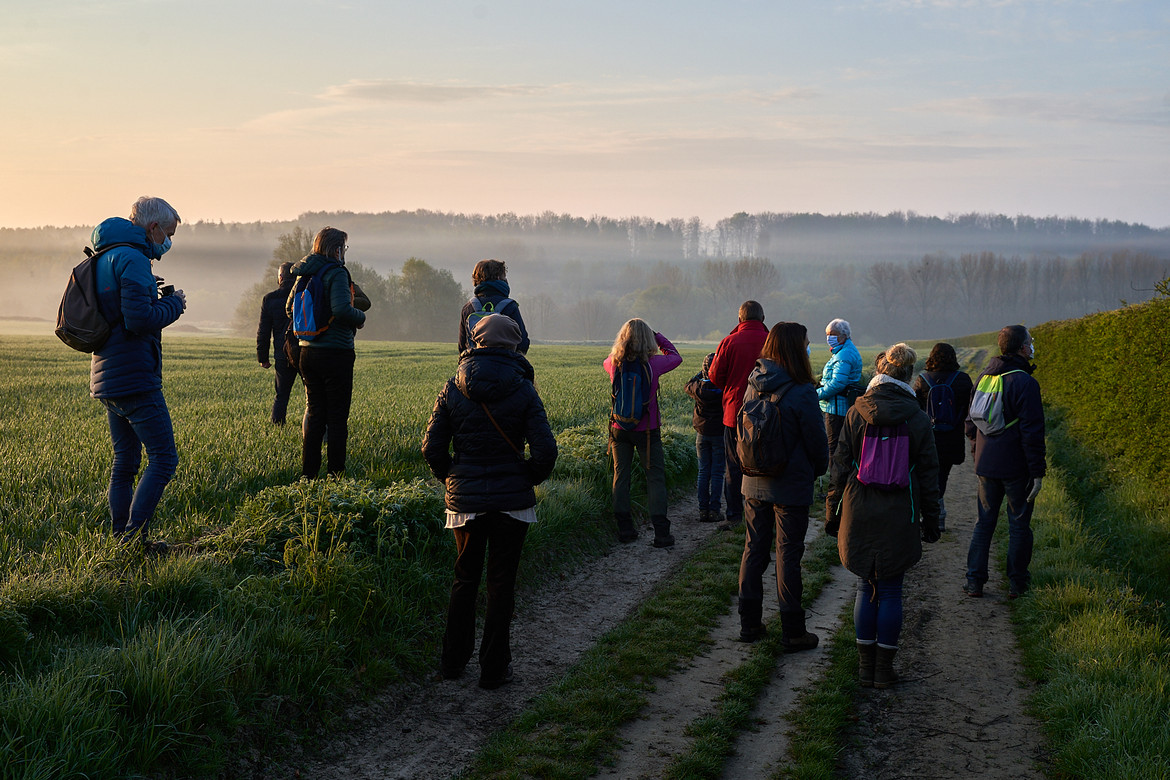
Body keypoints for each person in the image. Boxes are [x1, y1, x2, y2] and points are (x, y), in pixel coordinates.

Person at [422, 314, 558, 689]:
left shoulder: (452, 387)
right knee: (501, 584)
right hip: (512, 503)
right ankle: (494, 671)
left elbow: (431, 448)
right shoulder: (524, 389)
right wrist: (524, 478)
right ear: (514, 346)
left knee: (464, 579)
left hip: (464, 503)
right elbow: (546, 451)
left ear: (475, 342)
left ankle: (452, 663)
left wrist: (454, 479)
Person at [827, 343, 941, 688]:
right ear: (908, 375)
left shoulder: (856, 413)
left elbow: (839, 467)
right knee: (891, 589)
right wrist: (931, 519)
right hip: (900, 510)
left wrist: (832, 511)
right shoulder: (917, 418)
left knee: (865, 585)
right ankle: (883, 670)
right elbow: (929, 475)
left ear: (881, 372)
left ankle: (865, 667)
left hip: (858, 507)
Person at [89, 196, 187, 554]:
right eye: (168, 234)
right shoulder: (133, 258)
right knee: (164, 458)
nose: (168, 242)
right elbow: (139, 320)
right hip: (134, 375)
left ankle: (122, 539)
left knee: (125, 462)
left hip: (107, 374)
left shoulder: (107, 255)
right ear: (153, 227)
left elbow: (119, 308)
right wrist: (174, 304)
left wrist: (147, 291)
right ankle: (133, 539)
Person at [737, 323, 830, 650]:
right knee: (788, 555)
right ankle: (792, 631)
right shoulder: (803, 391)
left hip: (753, 480)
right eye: (806, 343)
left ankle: (749, 624)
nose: (809, 347)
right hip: (790, 485)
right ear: (796, 348)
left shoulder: (753, 383)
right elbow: (817, 442)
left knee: (753, 549)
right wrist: (817, 470)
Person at [964, 325, 1045, 599]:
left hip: (986, 465)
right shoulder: (1026, 383)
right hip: (1016, 467)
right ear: (1022, 348)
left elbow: (970, 423)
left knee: (984, 523)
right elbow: (1032, 433)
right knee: (1019, 524)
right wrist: (1037, 471)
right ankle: (1017, 584)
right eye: (1030, 342)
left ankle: (974, 581)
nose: (1032, 346)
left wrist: (977, 452)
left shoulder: (984, 376)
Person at [286, 227, 371, 479]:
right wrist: (361, 317)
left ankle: (308, 475)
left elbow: (290, 308)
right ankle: (336, 475)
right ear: (336, 250)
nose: (344, 252)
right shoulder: (337, 272)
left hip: (306, 352)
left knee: (315, 414)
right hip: (336, 353)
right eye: (344, 247)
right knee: (336, 417)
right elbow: (342, 310)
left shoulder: (303, 273)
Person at [604, 319, 682, 547]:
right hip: (647, 430)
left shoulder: (613, 363)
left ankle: (625, 530)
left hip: (619, 429)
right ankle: (661, 534)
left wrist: (622, 346)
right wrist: (657, 336)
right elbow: (676, 356)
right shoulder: (654, 364)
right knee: (655, 478)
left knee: (621, 477)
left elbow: (606, 360)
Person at [709, 301, 769, 531]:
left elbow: (715, 376)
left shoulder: (729, 341)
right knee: (764, 462)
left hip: (734, 412)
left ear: (740, 319)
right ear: (762, 318)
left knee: (733, 465)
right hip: (768, 413)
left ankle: (734, 515)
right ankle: (763, 513)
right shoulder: (772, 341)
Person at [911, 343, 973, 531]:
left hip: (928, 438)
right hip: (952, 438)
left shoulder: (922, 380)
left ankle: (930, 515)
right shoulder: (963, 380)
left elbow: (915, 410)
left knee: (926, 475)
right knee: (942, 476)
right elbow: (970, 409)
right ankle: (938, 516)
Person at [684, 353, 725, 523]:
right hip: (719, 433)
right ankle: (714, 510)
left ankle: (702, 510)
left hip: (702, 433)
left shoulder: (697, 387)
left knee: (703, 471)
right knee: (717, 472)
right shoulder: (723, 387)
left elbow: (687, 385)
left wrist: (702, 373)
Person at [457, 259, 530, 354]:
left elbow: (462, 347)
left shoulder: (468, 308)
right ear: (499, 278)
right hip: (504, 362)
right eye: (504, 276)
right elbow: (523, 343)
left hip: (475, 361)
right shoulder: (510, 306)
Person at [256, 262, 299, 425]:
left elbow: (264, 331)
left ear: (280, 277)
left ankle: (278, 426)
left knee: (281, 395)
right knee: (312, 395)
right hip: (303, 351)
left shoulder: (270, 299)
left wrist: (263, 358)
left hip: (283, 354)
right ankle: (313, 428)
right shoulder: (303, 295)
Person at [817, 317, 863, 457]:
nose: (829, 338)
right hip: (839, 405)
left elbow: (837, 384)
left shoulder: (844, 355)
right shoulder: (844, 351)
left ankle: (834, 471)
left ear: (844, 335)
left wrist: (815, 394)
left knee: (834, 447)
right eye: (827, 334)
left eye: (833, 334)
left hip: (837, 408)